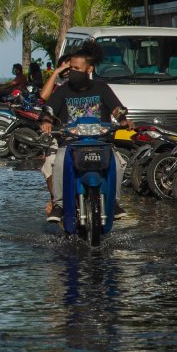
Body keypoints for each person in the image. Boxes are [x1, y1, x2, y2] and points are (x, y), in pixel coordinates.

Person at [39, 45, 129, 224]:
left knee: (118, 164)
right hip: (70, 143)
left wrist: (123, 119)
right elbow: (49, 109)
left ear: (89, 69)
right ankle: (59, 204)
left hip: (100, 142)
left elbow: (116, 108)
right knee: (58, 164)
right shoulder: (63, 90)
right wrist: (47, 122)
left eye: (77, 69)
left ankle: (114, 202)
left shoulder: (102, 88)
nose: (72, 72)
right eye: (71, 68)